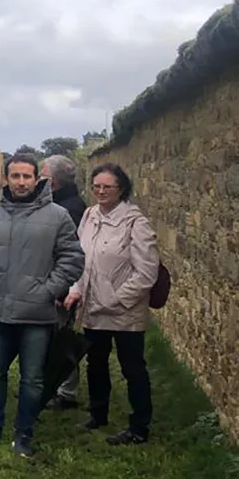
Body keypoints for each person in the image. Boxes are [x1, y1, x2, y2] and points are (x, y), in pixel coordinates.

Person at [0, 152, 84, 457]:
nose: (21, 182)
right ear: (6, 179)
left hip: (37, 314)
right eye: (15, 176)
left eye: (27, 176)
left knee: (33, 378)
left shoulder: (58, 216)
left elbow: (73, 258)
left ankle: (24, 433)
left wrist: (49, 289)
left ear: (37, 179)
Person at [65, 163, 159, 445]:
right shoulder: (91, 215)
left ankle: (139, 426)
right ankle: (98, 413)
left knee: (132, 367)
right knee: (95, 361)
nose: (101, 191)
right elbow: (80, 258)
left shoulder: (135, 222)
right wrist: (76, 289)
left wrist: (117, 299)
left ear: (121, 188)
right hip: (93, 307)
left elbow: (147, 272)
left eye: (108, 187)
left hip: (125, 311)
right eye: (96, 186)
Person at [41, 154, 90, 410]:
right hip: (55, 282)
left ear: (54, 182)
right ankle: (50, 387)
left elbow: (68, 252)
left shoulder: (68, 208)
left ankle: (64, 392)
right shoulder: (66, 203)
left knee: (61, 339)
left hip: (61, 284)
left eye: (43, 175)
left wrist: (64, 286)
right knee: (52, 338)